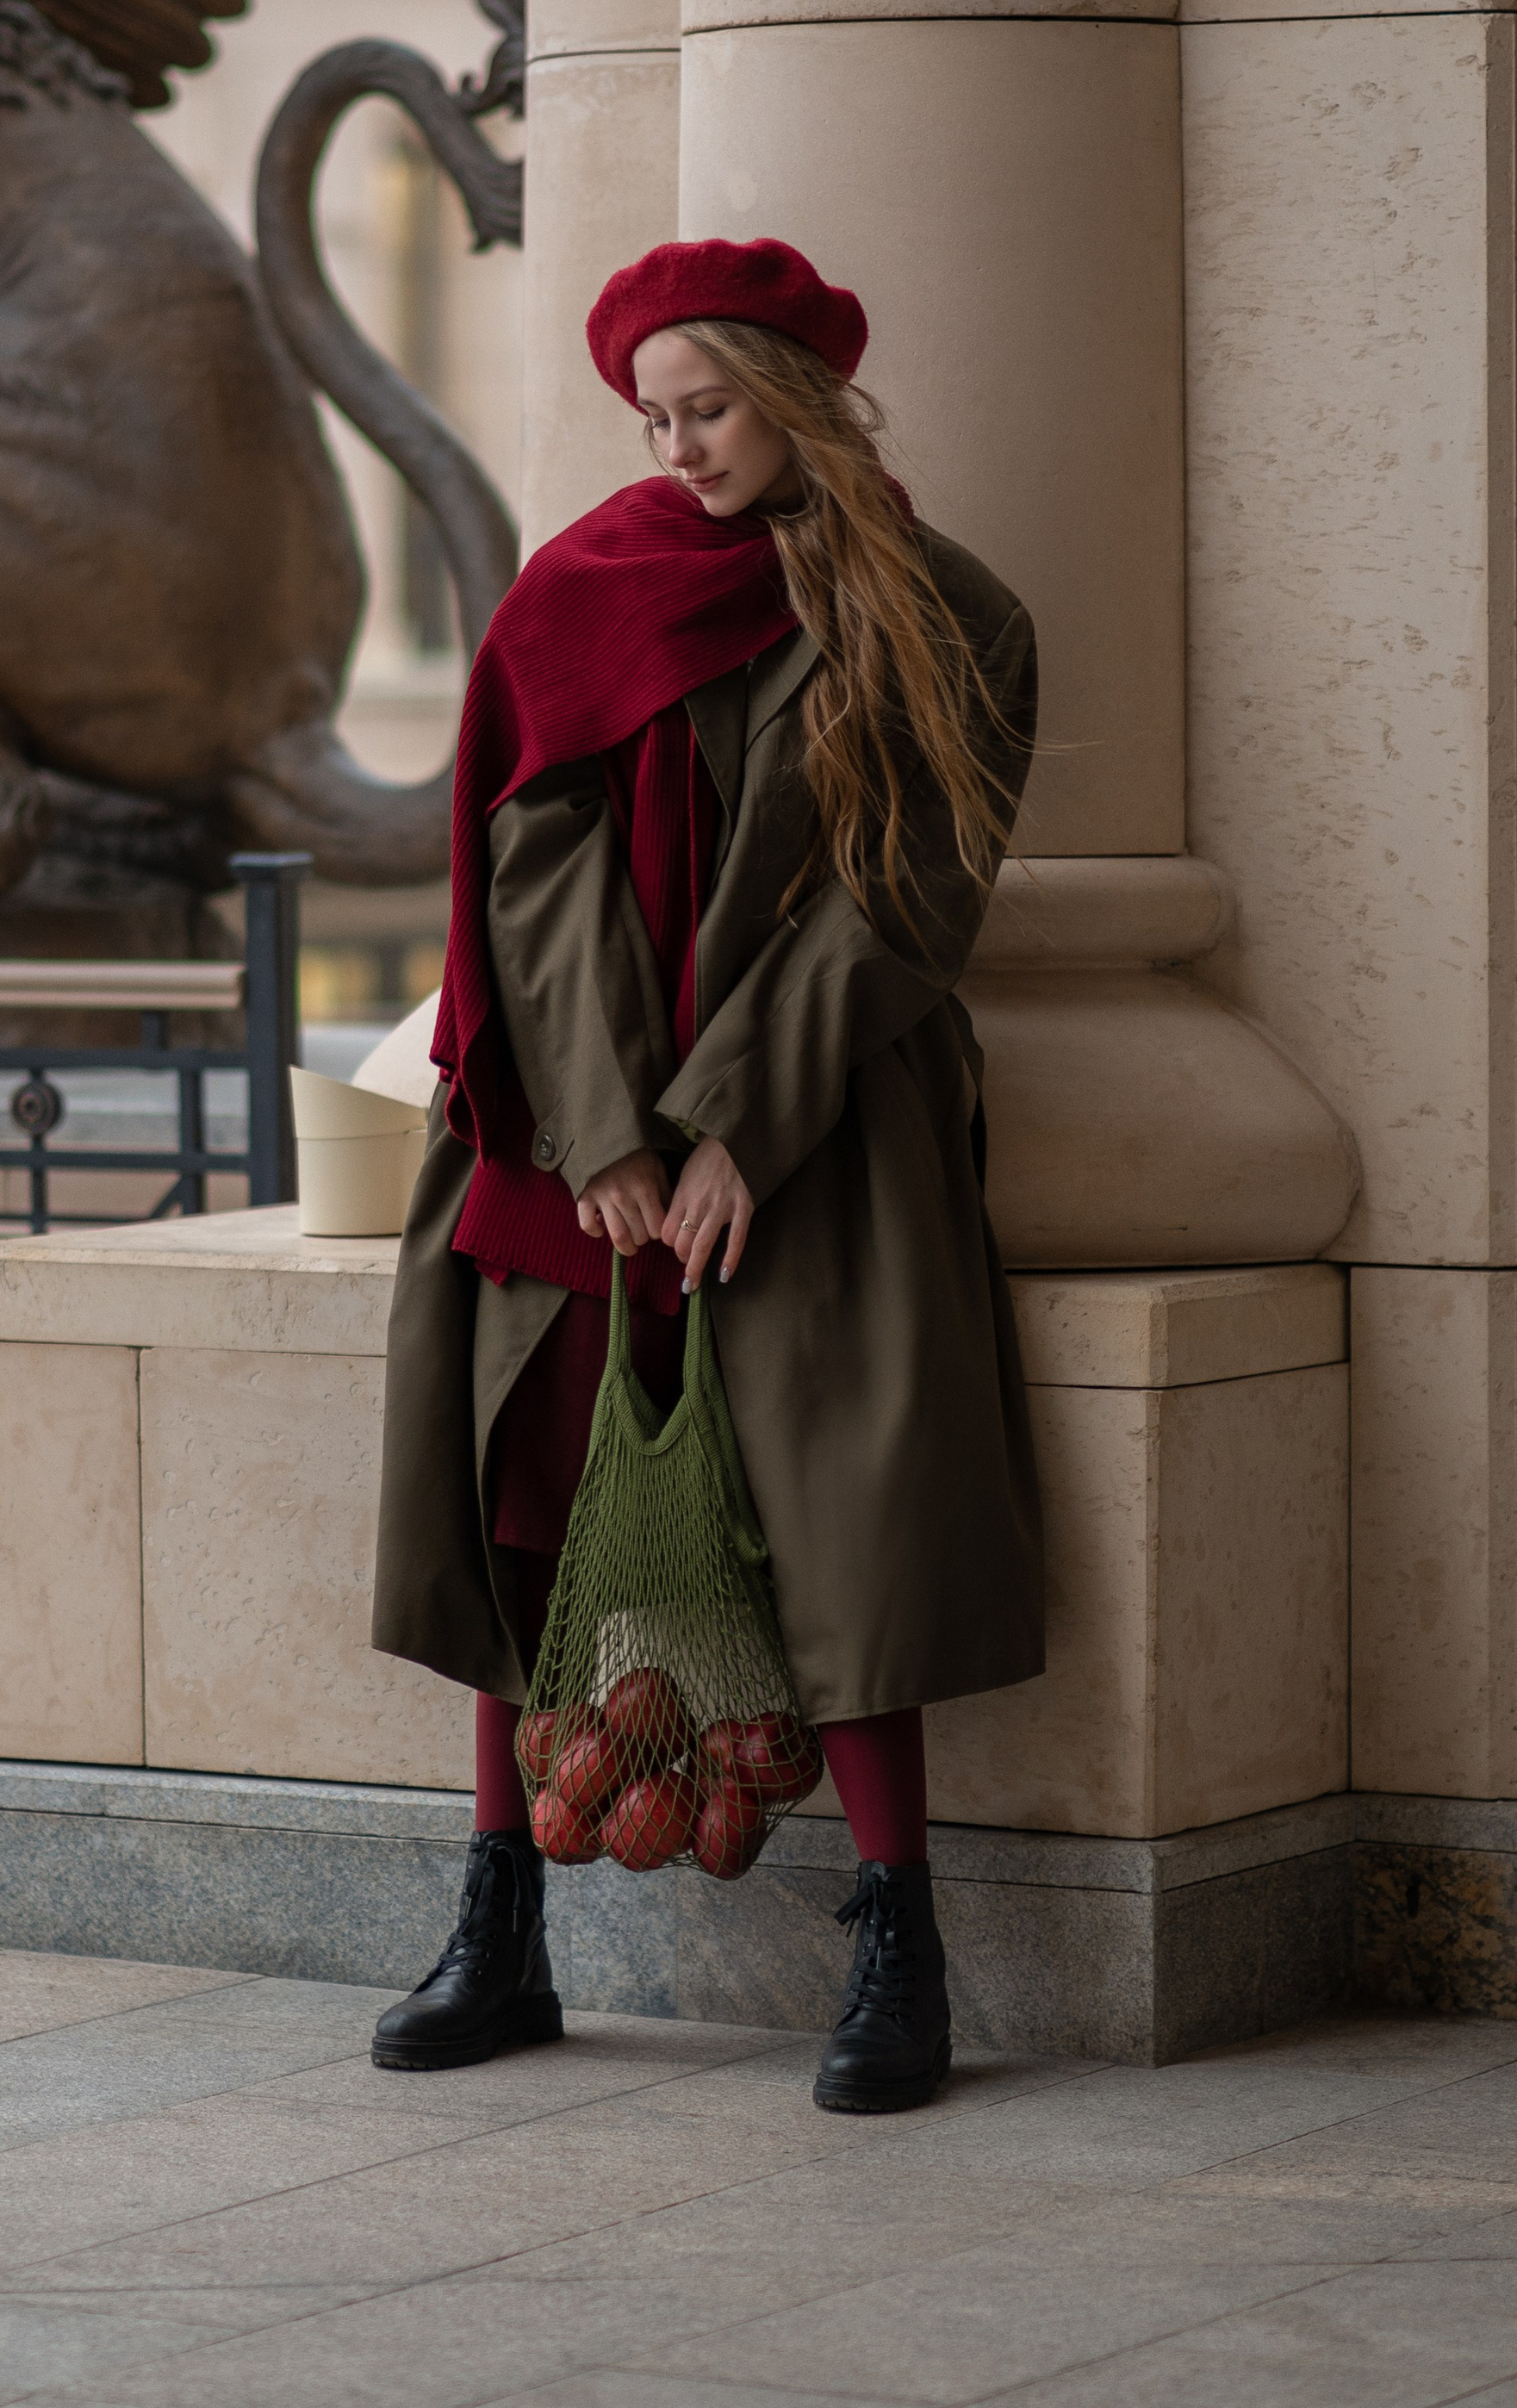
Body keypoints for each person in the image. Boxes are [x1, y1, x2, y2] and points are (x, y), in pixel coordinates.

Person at [368, 236, 1042, 2113]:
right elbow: (533, 862)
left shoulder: (946, 613)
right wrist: (604, 1130)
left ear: (794, 385)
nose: (676, 449)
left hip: (820, 1125)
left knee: (845, 1508)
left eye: (708, 407)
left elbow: (906, 894)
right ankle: (499, 1920)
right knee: (525, 1490)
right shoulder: (577, 590)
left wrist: (739, 1118)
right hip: (569, 1136)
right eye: (652, 418)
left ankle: (900, 1940)